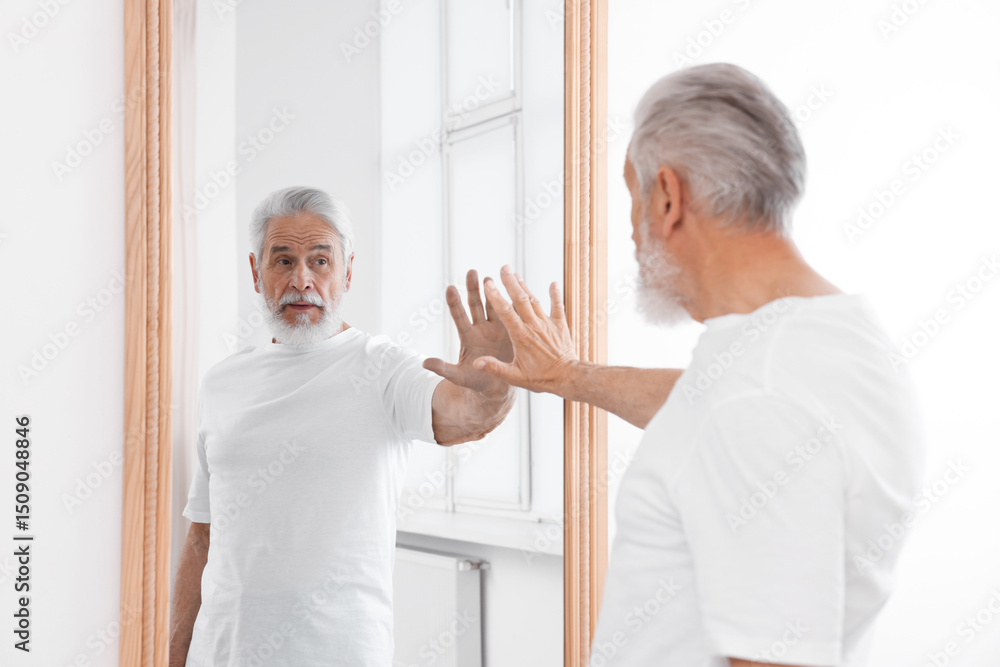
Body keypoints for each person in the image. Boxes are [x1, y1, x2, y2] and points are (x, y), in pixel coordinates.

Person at [474, 63, 926, 666]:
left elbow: (743, 415)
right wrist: (570, 375)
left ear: (667, 197)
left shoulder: (758, 398)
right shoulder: (827, 343)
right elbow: (708, 407)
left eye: (631, 198)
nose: (633, 235)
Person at [168, 186, 515, 666]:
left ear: (348, 271)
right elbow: (201, 537)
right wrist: (174, 654)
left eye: (320, 261)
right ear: (256, 272)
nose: (302, 280)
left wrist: (493, 384)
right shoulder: (221, 382)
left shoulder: (384, 368)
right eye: (283, 260)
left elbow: (468, 417)